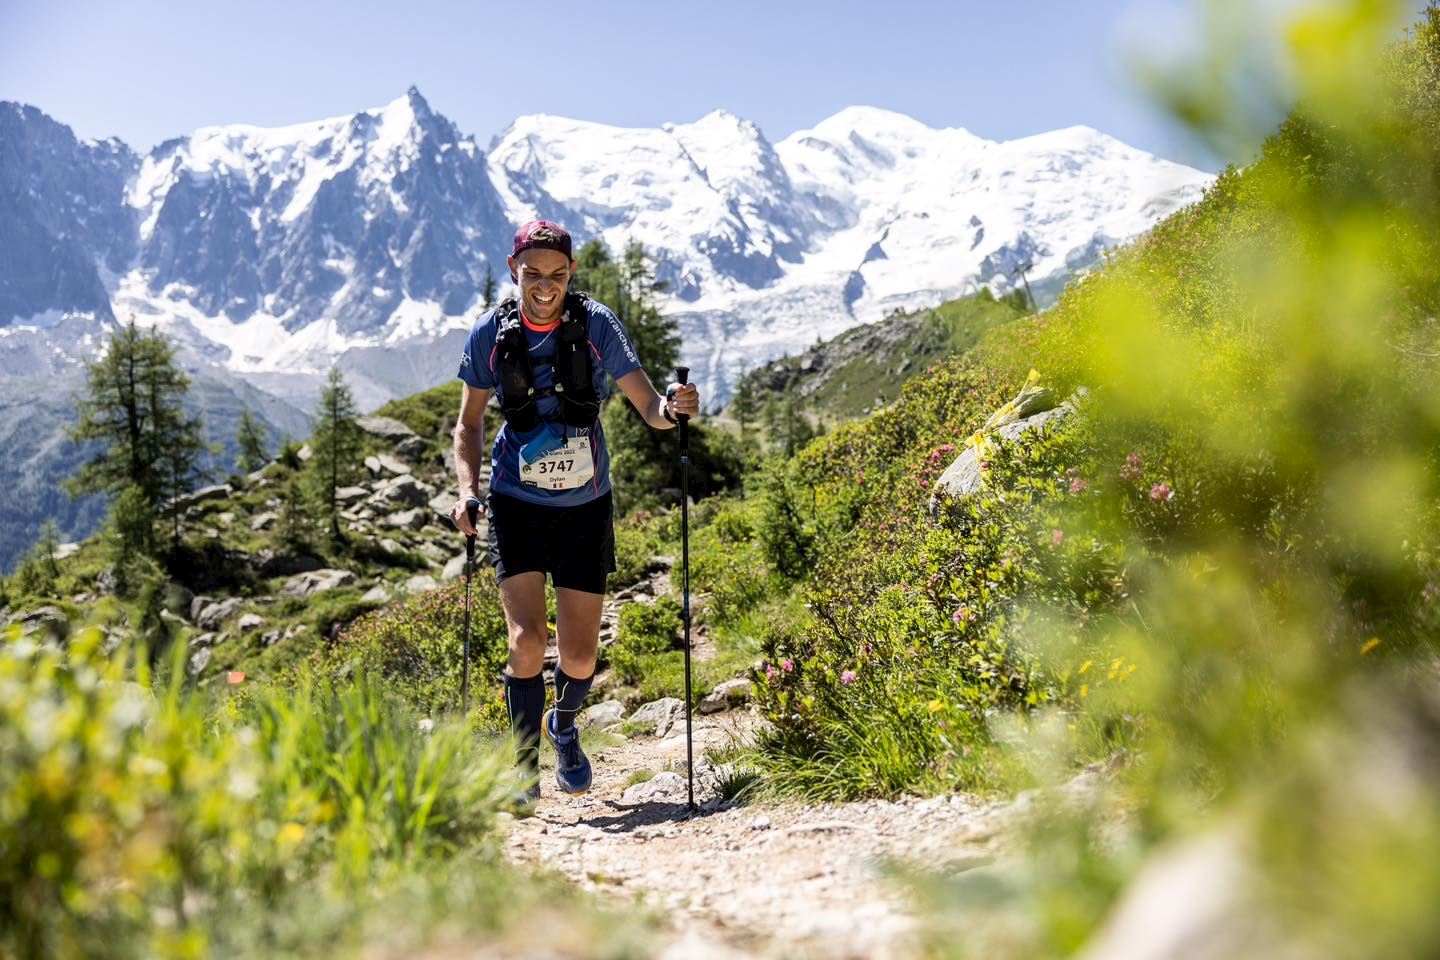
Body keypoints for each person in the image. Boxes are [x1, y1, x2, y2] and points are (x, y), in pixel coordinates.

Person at [451, 220, 700, 807]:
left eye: (557, 274)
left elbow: (650, 408)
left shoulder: (596, 324)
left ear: (571, 274)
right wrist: (466, 491)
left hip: (586, 505)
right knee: (528, 641)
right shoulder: (490, 332)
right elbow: (468, 424)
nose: (545, 286)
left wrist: (675, 406)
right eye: (532, 274)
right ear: (514, 270)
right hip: (515, 501)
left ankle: (563, 723)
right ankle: (521, 767)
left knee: (581, 655)